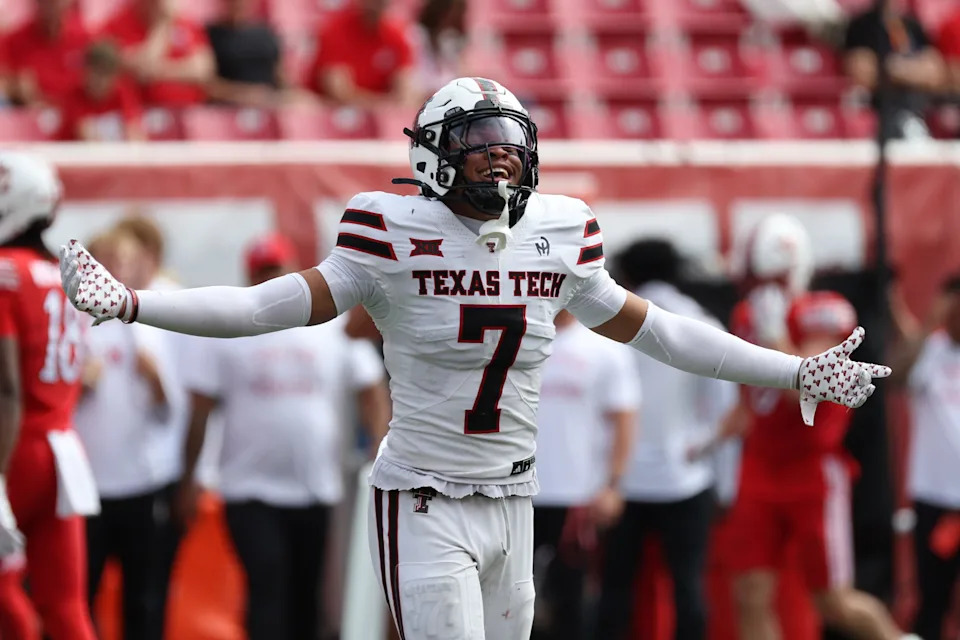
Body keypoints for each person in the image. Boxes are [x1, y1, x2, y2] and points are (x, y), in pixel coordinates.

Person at [59, 76, 889, 640]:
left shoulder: (559, 232)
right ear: (431, 153)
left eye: (510, 142)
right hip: (425, 497)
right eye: (478, 141)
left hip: (516, 496)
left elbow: (662, 334)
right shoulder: (389, 230)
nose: (500, 155)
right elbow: (261, 307)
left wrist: (791, 372)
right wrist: (134, 305)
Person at [175, 233, 390, 640]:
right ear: (251, 277)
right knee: (268, 586)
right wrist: (189, 479)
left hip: (314, 486)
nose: (271, 278)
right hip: (247, 488)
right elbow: (200, 409)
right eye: (263, 272)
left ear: (292, 271)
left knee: (306, 595)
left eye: (277, 270)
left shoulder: (330, 326)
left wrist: (380, 448)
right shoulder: (229, 326)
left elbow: (370, 387)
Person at [712, 215, 909, 640]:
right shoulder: (747, 314)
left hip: (812, 472)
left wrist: (775, 334)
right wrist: (707, 443)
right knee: (749, 593)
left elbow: (806, 385)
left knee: (834, 603)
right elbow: (753, 403)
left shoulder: (827, 310)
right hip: (760, 468)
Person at [596, 240, 737, 640]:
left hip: (622, 483)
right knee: (688, 587)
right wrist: (715, 470)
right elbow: (724, 410)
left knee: (615, 589)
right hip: (686, 477)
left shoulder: (610, 324)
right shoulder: (704, 322)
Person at [0, 152, 98, 639]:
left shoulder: (6, 272)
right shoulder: (66, 274)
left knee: (5, 597)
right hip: (62, 448)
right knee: (66, 607)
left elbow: (6, 386)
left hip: (12, 446)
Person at [73, 229, 184, 640]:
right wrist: (79, 384)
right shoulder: (77, 321)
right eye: (109, 258)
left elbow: (169, 413)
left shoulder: (153, 322)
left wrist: (156, 381)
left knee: (144, 599)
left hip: (141, 483)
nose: (117, 268)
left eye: (127, 259)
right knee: (82, 594)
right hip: (87, 488)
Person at [531, 310, 640, 640]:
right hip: (517, 494)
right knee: (513, 603)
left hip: (577, 497)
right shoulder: (516, 342)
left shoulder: (604, 349)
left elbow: (625, 420)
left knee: (571, 603)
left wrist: (613, 485)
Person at [889, 275, 960, 640]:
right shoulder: (929, 351)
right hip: (936, 500)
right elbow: (895, 374)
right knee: (933, 601)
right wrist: (930, 323)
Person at [843, 0, 944, 139]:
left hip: (917, 109)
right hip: (878, 110)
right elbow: (862, 71)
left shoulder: (913, 25)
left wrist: (892, 68)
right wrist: (912, 70)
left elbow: (934, 72)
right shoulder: (861, 25)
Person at [102, 0, 214, 108]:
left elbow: (204, 70)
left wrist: (160, 71)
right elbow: (144, 70)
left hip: (189, 111)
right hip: (143, 112)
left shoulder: (186, 23)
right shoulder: (118, 24)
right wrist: (163, 24)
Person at [309, 0, 417, 108]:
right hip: (333, 109)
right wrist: (382, 103)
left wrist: (397, 100)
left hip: (377, 108)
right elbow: (337, 90)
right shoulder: (335, 31)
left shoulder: (396, 36)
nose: (374, 7)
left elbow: (404, 86)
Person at [205, 0, 294, 108]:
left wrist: (287, 95)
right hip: (229, 105)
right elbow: (208, 85)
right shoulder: (212, 35)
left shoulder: (266, 34)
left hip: (270, 102)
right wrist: (247, 94)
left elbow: (281, 76)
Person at [2, 0, 91, 107]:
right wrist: (14, 87)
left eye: (55, 2)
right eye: (44, 2)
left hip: (74, 114)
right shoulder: (14, 40)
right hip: (29, 113)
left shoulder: (85, 40)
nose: (49, 7)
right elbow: (4, 82)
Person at [57, 41, 144, 142]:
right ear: (85, 71)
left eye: (106, 74)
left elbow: (135, 134)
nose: (100, 81)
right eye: (96, 73)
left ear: (115, 76)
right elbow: (88, 137)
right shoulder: (73, 96)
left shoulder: (122, 93)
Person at [413, 0, 467, 93]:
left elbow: (454, 74)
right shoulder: (416, 35)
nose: (454, 17)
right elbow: (415, 76)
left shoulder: (448, 39)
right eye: (452, 12)